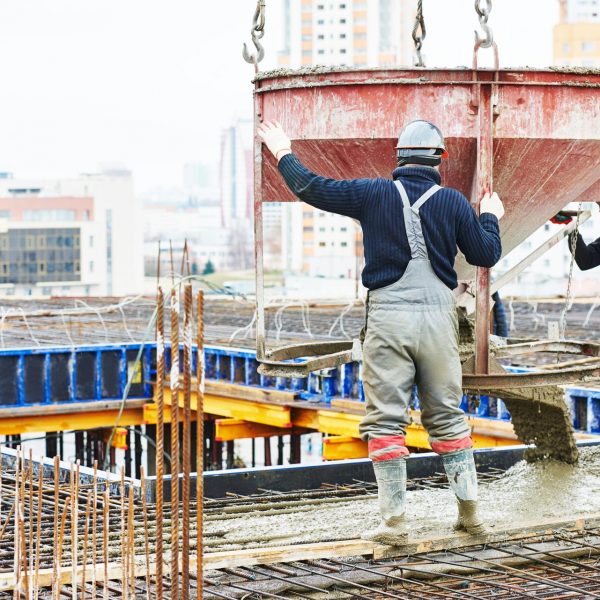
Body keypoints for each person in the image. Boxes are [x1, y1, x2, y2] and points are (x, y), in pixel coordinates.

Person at [258, 119, 503, 543]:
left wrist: (281, 148)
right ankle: (471, 518)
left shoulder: (373, 193)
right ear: (439, 160)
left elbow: (310, 187)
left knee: (386, 420)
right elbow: (487, 253)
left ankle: (394, 524)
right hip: (438, 322)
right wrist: (492, 217)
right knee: (447, 417)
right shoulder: (454, 202)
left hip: (389, 319)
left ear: (398, 158)